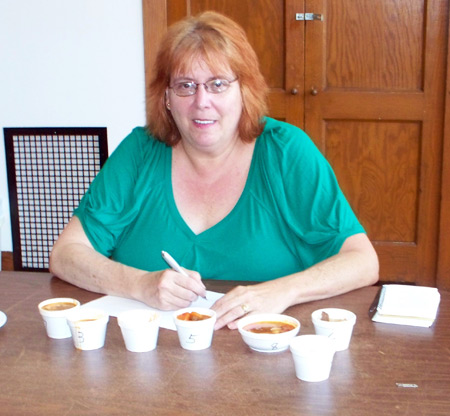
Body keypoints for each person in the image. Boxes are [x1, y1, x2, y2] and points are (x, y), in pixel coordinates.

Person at [49, 11, 379, 330]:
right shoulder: (139, 152)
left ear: (244, 89)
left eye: (218, 84)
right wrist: (140, 284)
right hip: (147, 357)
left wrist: (283, 290)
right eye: (185, 86)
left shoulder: (285, 151)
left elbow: (363, 261)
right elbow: (65, 254)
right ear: (166, 97)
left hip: (263, 353)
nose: (201, 101)